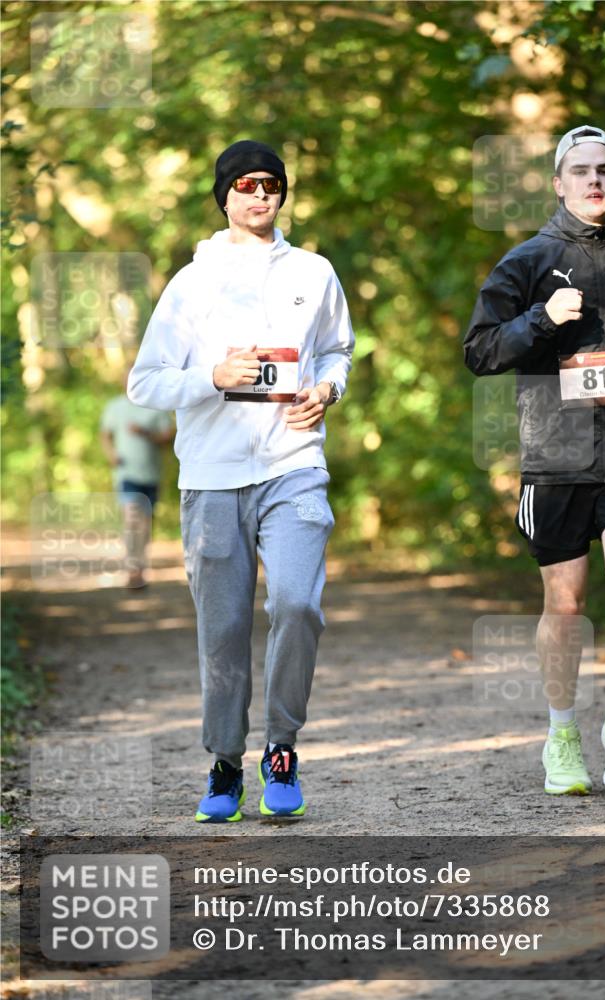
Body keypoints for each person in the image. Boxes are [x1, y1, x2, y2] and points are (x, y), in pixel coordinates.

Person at [128, 140, 354, 820]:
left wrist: (328, 389)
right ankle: (225, 763)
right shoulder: (189, 284)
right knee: (223, 628)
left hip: (293, 464)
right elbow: (145, 383)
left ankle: (280, 747)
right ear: (224, 195)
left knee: (295, 604)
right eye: (247, 184)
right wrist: (212, 378)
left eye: (272, 184)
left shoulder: (314, 272)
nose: (260, 194)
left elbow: (337, 351)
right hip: (212, 477)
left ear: (282, 195)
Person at [464, 125, 605, 795]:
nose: (592, 182)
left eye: (604, 171)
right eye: (579, 171)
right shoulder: (527, 260)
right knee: (566, 602)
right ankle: (559, 734)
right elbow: (480, 351)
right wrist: (541, 321)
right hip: (554, 456)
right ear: (557, 181)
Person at [100, 369, 173, 589]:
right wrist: (111, 454)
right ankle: (133, 569)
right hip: (126, 474)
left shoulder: (155, 406)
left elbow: (169, 437)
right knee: (132, 520)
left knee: (144, 525)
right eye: (125, 377)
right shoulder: (114, 406)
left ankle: (140, 568)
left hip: (151, 475)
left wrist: (146, 434)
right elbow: (105, 435)